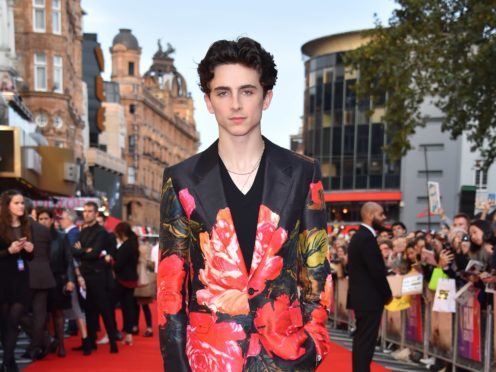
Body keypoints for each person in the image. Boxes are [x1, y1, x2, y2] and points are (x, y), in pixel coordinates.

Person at [158, 37, 332, 371]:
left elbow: (317, 271)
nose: (235, 104)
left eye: (247, 91)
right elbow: (170, 287)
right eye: (223, 92)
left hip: (286, 357)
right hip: (210, 357)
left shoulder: (302, 172)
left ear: (266, 98)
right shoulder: (181, 179)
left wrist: (315, 344)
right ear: (209, 101)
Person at [347, 202, 392, 372]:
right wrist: (387, 295)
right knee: (365, 343)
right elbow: (376, 271)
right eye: (380, 215)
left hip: (363, 299)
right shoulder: (366, 238)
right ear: (370, 215)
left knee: (362, 342)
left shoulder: (361, 237)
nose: (384, 218)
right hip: (369, 300)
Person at [72, 202, 118, 354]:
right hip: (85, 275)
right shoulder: (82, 231)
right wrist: (86, 251)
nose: (86, 214)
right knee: (89, 310)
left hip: (98, 276)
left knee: (105, 310)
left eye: (89, 211)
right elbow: (74, 251)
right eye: (84, 211)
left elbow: (94, 253)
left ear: (96, 213)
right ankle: (90, 343)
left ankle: (113, 343)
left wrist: (82, 250)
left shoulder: (101, 232)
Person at [0, 190, 34, 372]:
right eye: (17, 203)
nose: (21, 206)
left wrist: (29, 249)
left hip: (21, 279)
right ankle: (10, 362)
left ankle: (5, 363)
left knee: (13, 320)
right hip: (3, 279)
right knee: (5, 322)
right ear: (7, 206)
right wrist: (9, 252)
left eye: (22, 203)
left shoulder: (26, 224)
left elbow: (30, 257)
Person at [38, 209, 75, 357]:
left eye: (46, 218)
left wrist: (70, 280)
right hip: (40, 280)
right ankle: (49, 343)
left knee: (57, 313)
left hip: (57, 279)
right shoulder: (34, 237)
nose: (43, 221)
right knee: (44, 314)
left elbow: (69, 260)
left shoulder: (61, 237)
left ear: (52, 220)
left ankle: (61, 344)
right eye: (40, 219)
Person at [111, 222, 139, 346]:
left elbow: (118, 265)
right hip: (131, 279)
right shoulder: (132, 244)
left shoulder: (126, 246)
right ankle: (128, 333)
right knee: (128, 306)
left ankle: (122, 332)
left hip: (123, 280)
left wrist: (111, 261)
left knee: (121, 306)